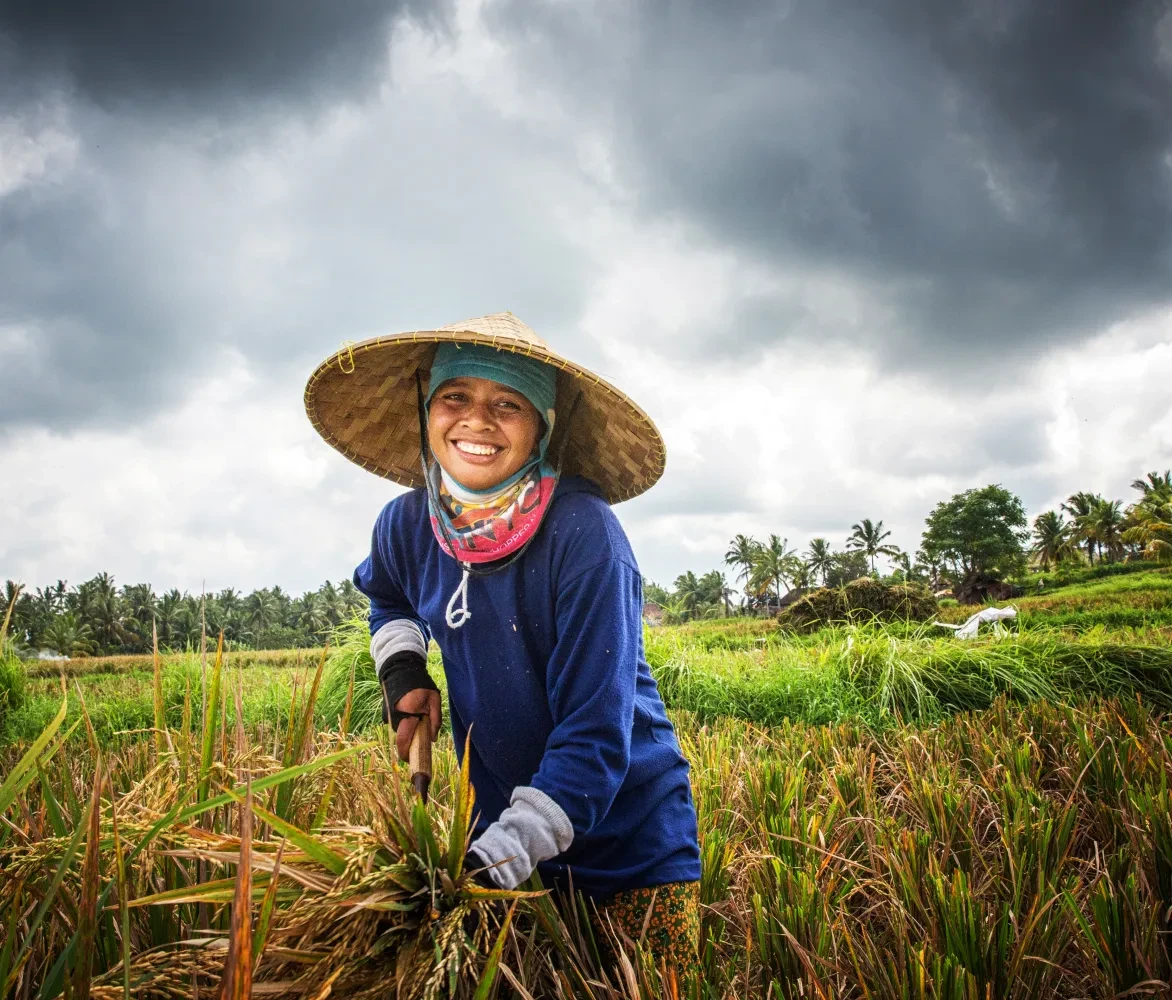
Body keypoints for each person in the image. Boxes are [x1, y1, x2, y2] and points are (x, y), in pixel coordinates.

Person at [304, 312, 701, 979]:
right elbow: (389, 596)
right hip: (500, 825)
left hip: (630, 844)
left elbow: (595, 736)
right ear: (427, 409)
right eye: (456, 397)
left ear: (543, 426)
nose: (477, 421)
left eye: (507, 405)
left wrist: (486, 864)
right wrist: (404, 674)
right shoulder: (407, 524)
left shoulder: (583, 534)